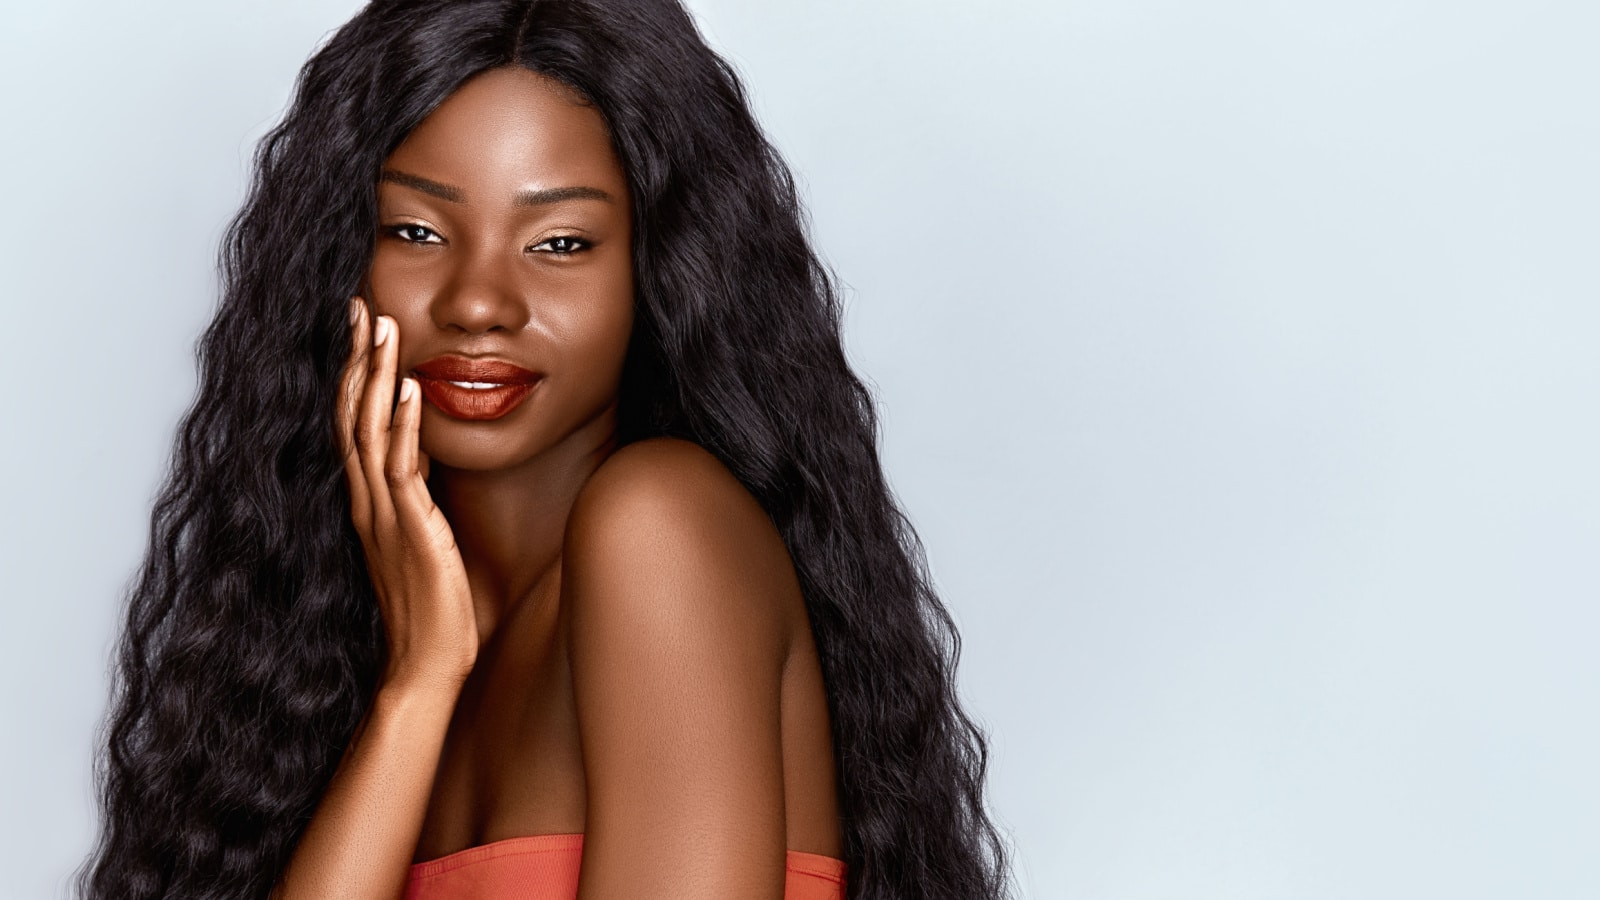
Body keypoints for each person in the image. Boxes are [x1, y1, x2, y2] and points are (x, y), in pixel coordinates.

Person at [77, 1, 1011, 898]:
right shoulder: (351, 644)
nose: (478, 302)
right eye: (416, 231)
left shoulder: (661, 531)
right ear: (335, 262)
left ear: (659, 269)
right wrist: (419, 684)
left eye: (560, 242)